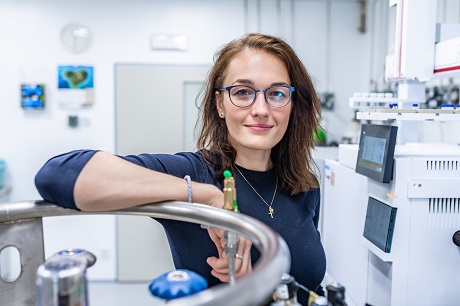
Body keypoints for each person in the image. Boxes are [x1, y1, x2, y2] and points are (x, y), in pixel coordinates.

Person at [35, 33, 326, 305]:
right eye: (242, 92)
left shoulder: (305, 186)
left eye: (276, 94)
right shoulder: (194, 173)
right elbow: (59, 175)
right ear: (220, 104)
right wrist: (207, 198)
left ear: (292, 104)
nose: (261, 109)